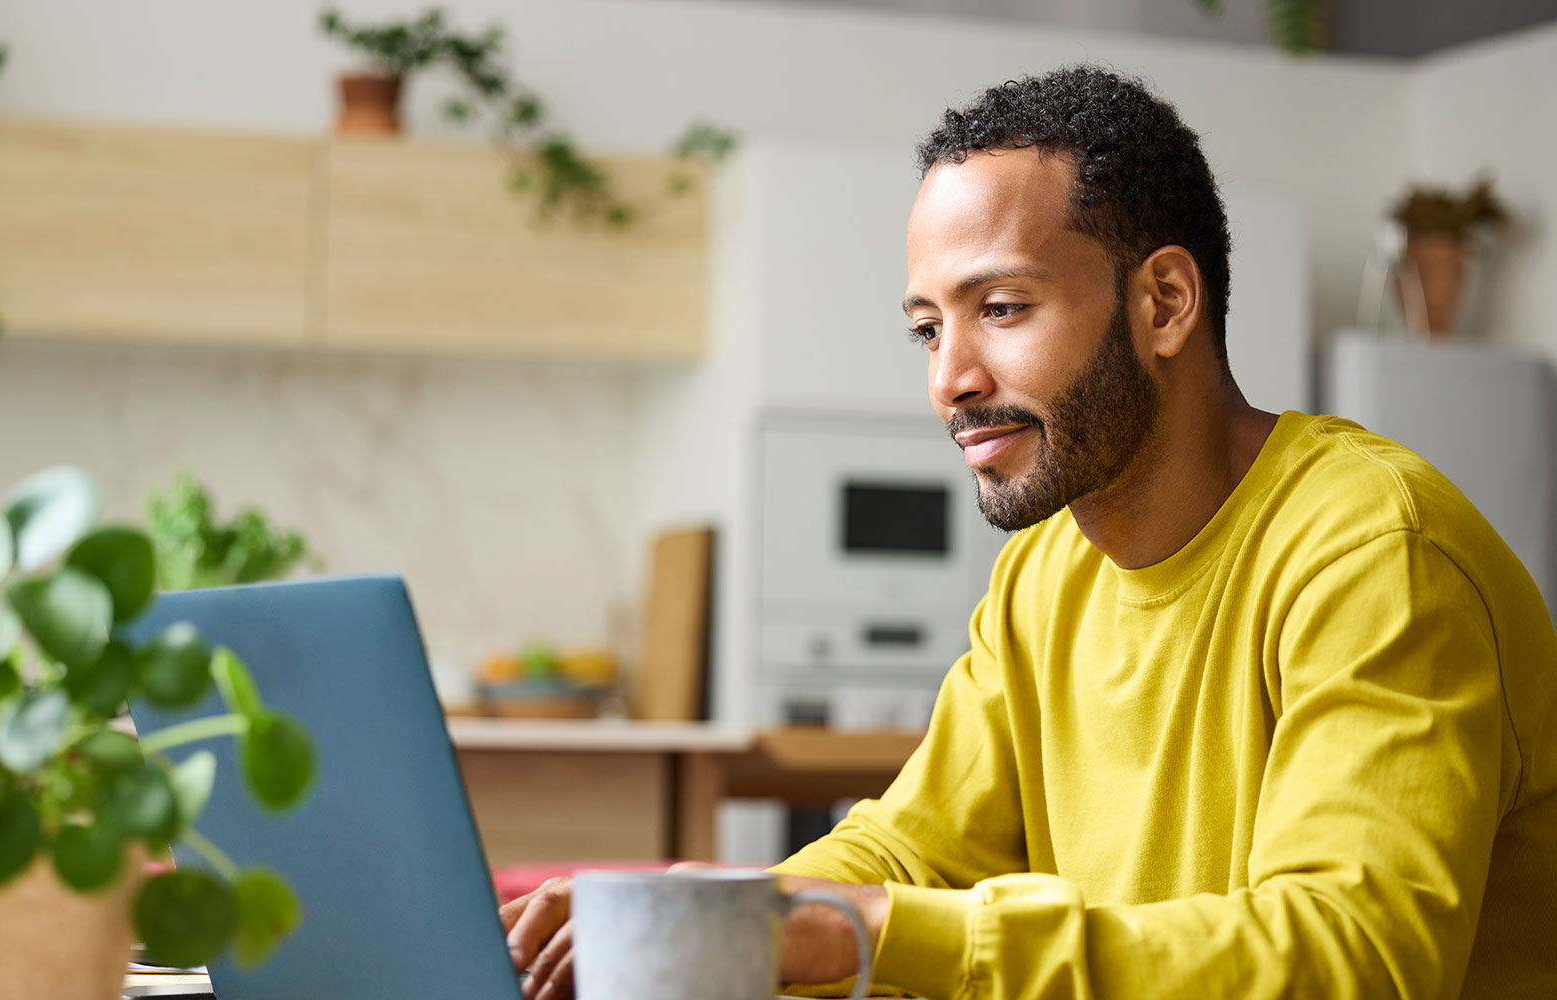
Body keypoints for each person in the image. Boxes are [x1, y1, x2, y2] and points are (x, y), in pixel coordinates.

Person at [499, 64, 1557, 1000]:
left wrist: (854, 932)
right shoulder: (1046, 572)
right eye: (928, 327)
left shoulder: (1374, 548)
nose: (949, 379)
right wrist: (730, 905)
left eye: (1000, 307)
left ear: (1166, 302)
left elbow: (1352, 959)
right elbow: (918, 846)